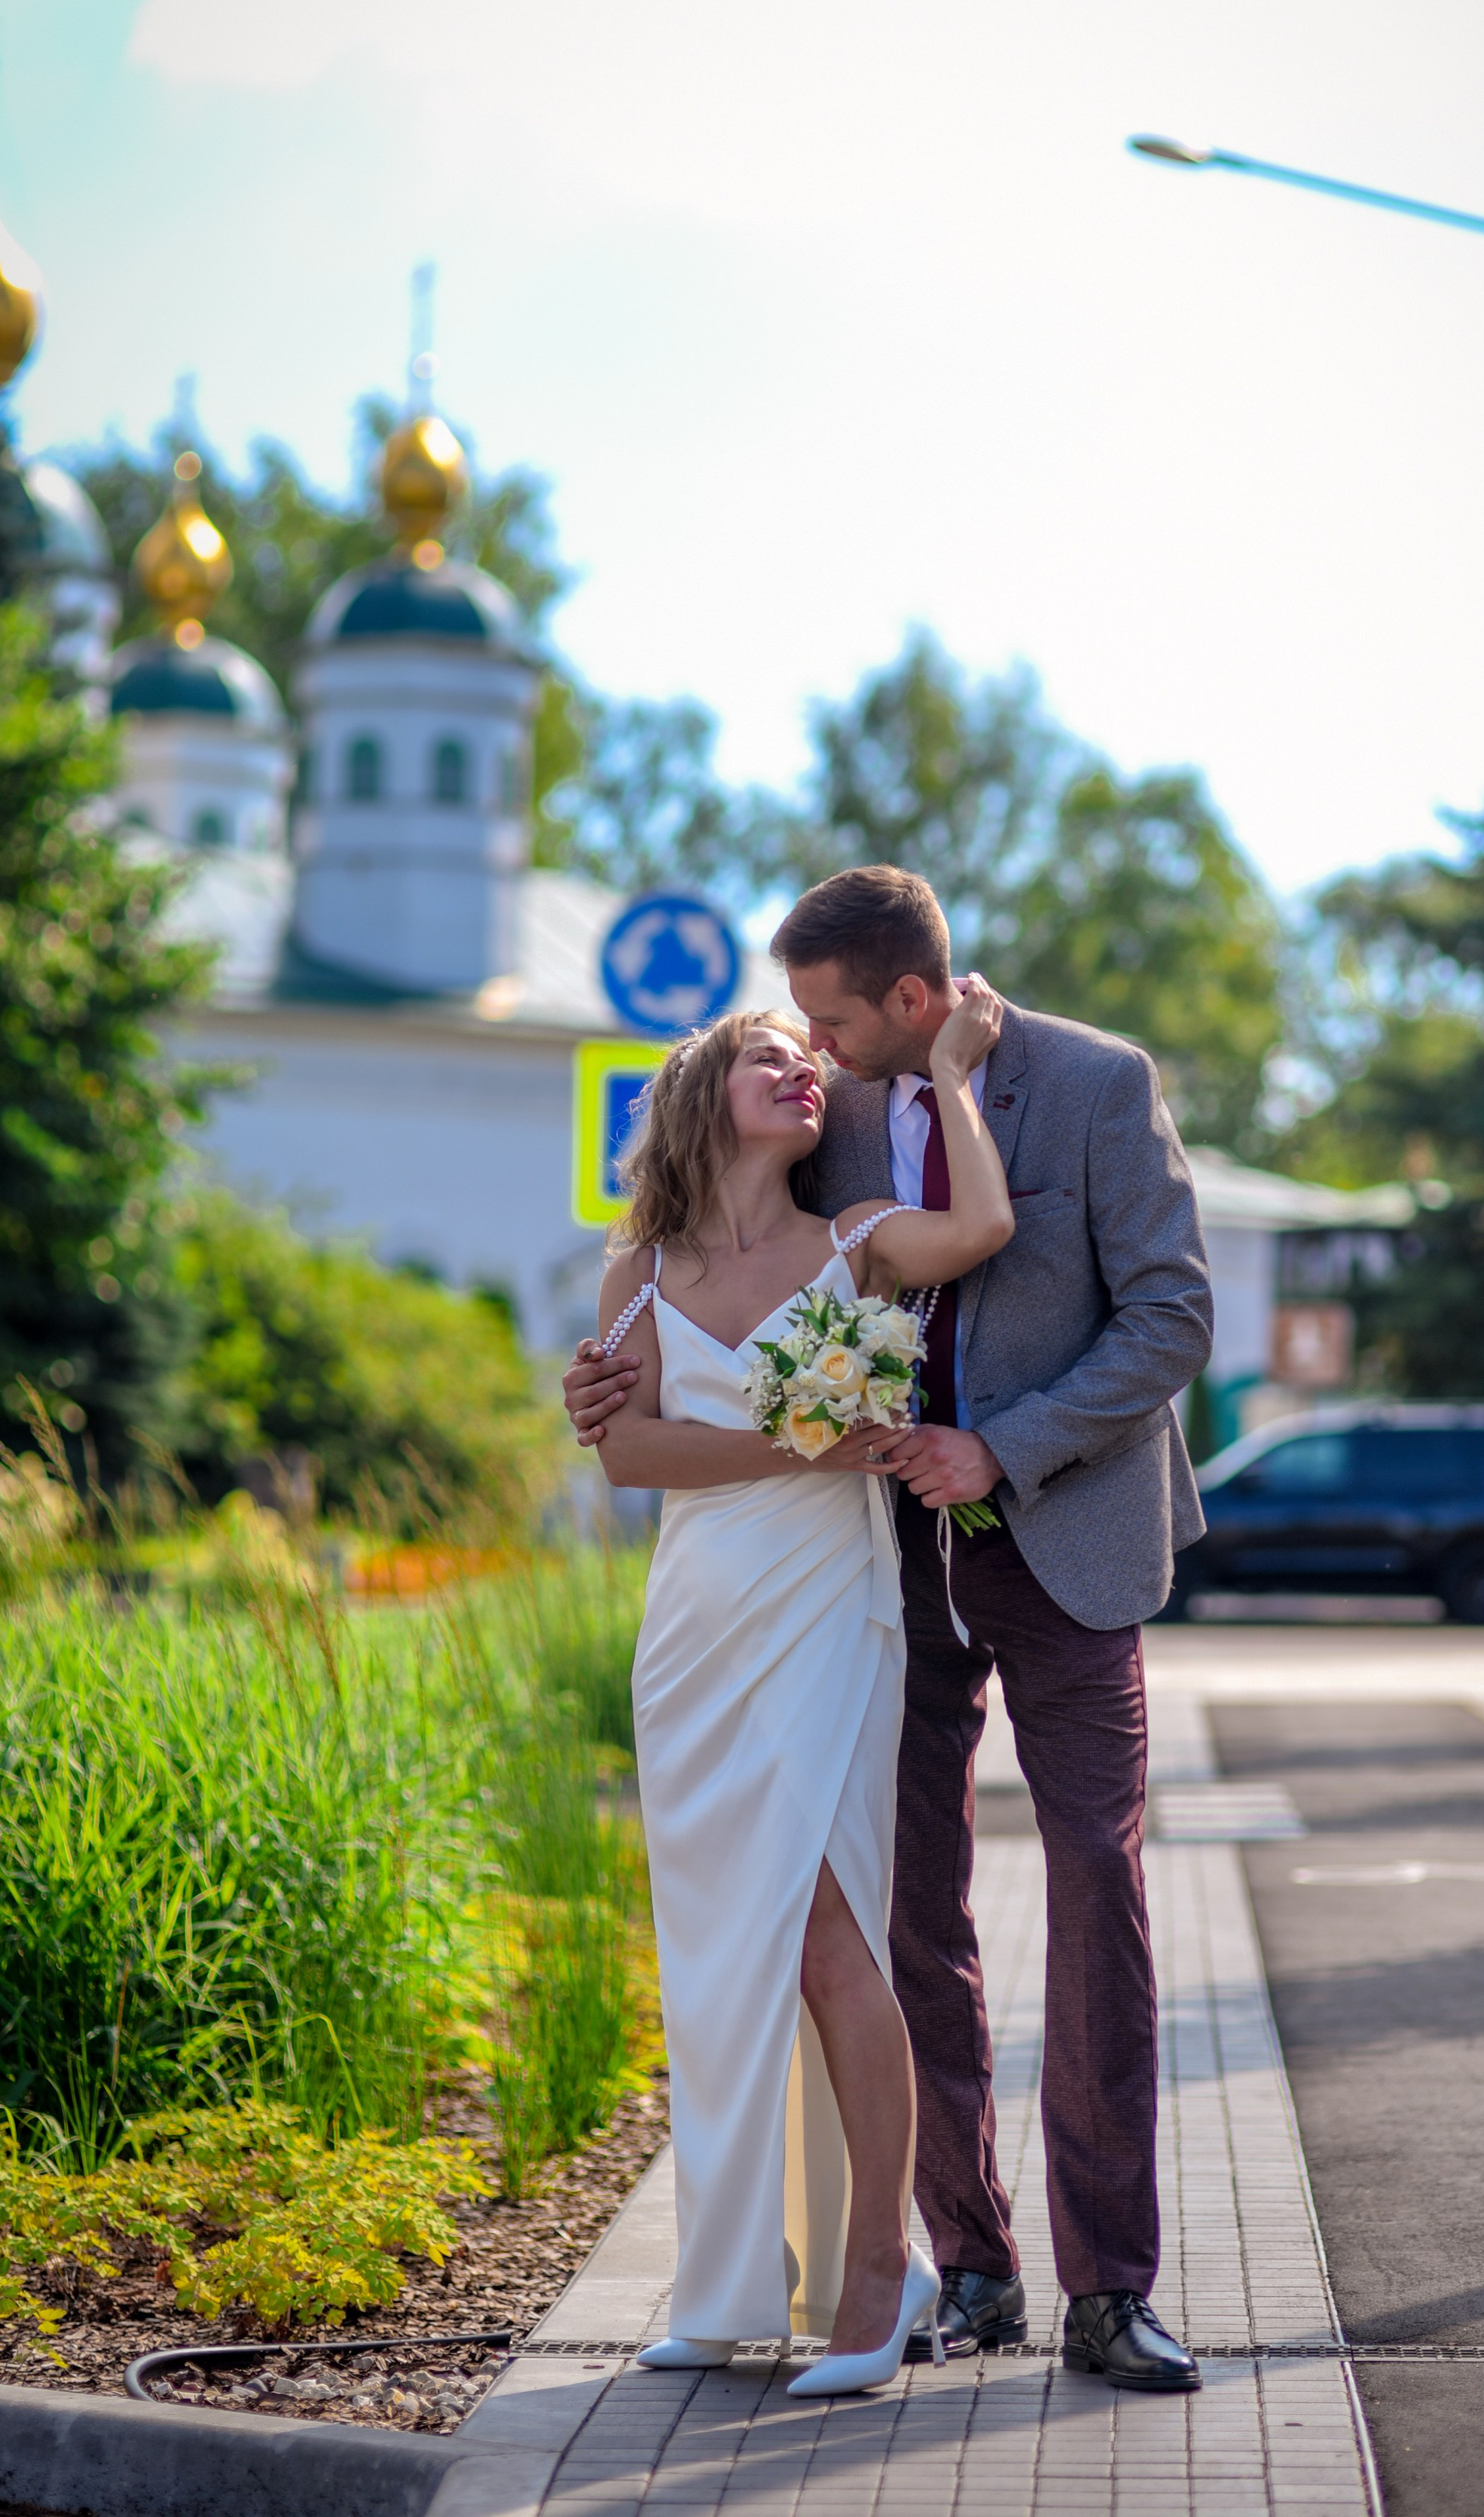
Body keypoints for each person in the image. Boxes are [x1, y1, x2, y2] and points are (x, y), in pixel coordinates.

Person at [566, 867, 1214, 2396]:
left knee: (1092, 1886)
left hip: (1060, 1533)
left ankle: (1110, 2286)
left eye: (836, 1019)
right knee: (902, 1907)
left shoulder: (1098, 1084)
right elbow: (699, 1271)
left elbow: (1170, 1319)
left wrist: (1004, 1446)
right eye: (796, 1029)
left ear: (912, 1002)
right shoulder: (826, 1108)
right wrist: (606, 1385)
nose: (815, 1047)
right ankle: (960, 2261)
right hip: (865, 1559)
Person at [587, 987, 1014, 2399]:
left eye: (809, 1059)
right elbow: (632, 1458)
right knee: (714, 1953)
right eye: (771, 1057)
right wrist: (805, 1443)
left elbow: (982, 1233)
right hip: (696, 1631)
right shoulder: (637, 1267)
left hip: (830, 1616)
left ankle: (876, 2277)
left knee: (831, 1930)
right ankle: (722, 2288)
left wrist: (951, 1072)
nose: (804, 1073)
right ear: (705, 1092)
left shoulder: (855, 1243)